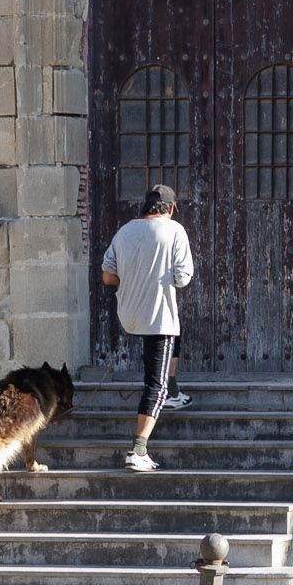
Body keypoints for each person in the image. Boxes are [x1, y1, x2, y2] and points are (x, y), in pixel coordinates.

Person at [101, 183, 195, 472]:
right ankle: (138, 450)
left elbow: (108, 277)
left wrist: (133, 279)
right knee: (156, 385)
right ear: (170, 207)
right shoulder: (175, 230)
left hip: (130, 314)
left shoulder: (124, 231)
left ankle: (174, 392)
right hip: (157, 317)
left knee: (175, 332)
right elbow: (183, 278)